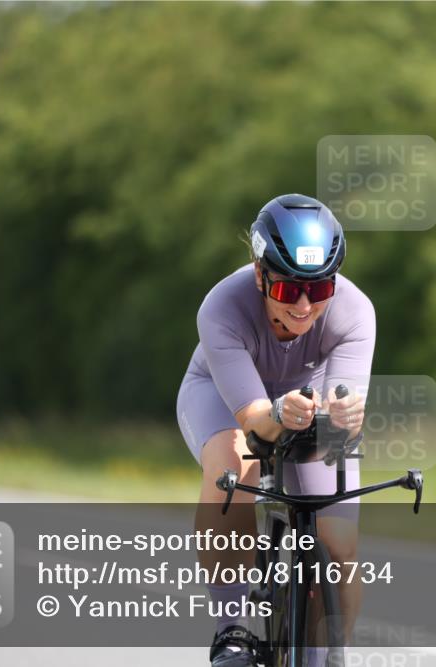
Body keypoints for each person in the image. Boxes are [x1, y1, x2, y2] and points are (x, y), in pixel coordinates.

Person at [176, 194, 373, 667]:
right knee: (236, 467)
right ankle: (233, 627)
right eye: (288, 291)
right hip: (225, 398)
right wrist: (279, 414)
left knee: (339, 541)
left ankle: (332, 650)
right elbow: (254, 423)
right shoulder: (222, 307)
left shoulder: (355, 311)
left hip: (309, 397)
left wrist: (344, 414)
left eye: (320, 289)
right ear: (260, 273)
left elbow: (344, 401)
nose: (304, 306)